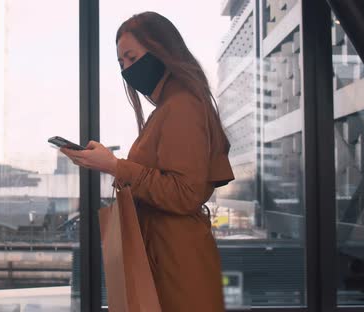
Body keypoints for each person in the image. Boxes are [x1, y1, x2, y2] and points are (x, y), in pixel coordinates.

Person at [60, 11, 234, 312]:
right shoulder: (174, 106)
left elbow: (184, 193)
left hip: (175, 262)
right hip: (168, 256)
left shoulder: (182, 107)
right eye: (121, 63)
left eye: (132, 58)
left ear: (161, 51)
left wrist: (113, 166)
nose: (127, 69)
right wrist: (107, 163)